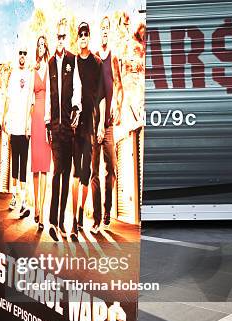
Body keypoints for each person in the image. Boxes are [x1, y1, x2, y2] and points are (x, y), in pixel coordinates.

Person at [47, 18, 82, 241]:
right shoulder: (50, 62)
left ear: (66, 38)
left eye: (63, 37)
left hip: (69, 126)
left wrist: (77, 108)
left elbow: (77, 86)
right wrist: (47, 123)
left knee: (67, 173)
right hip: (55, 126)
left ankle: (62, 221)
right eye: (57, 37)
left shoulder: (72, 60)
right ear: (55, 38)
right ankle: (53, 222)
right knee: (58, 171)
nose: (60, 40)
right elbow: (49, 95)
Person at [91, 16, 124, 234]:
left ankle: (107, 211)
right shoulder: (93, 59)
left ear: (109, 32)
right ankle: (95, 218)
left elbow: (119, 86)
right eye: (101, 28)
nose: (104, 32)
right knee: (94, 172)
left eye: (107, 29)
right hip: (94, 124)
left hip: (110, 124)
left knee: (111, 168)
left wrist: (118, 106)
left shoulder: (113, 57)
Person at [72, 22, 102, 239]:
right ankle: (74, 219)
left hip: (90, 125)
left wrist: (100, 125)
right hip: (74, 125)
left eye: (86, 34)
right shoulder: (72, 62)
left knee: (85, 174)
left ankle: (81, 213)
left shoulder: (97, 63)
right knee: (74, 174)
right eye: (80, 34)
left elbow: (100, 98)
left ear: (89, 37)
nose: (83, 37)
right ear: (77, 38)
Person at [2, 45, 31, 219]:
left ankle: (24, 200)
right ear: (17, 55)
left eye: (25, 53)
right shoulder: (13, 75)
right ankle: (14, 196)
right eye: (20, 53)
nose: (22, 55)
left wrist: (28, 123)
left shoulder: (29, 75)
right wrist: (5, 116)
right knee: (15, 164)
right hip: (14, 126)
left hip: (24, 127)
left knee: (24, 165)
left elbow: (31, 102)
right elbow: (8, 98)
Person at [30, 35, 51, 229]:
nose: (41, 47)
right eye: (39, 45)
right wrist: (28, 125)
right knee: (36, 167)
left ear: (47, 47)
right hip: (34, 117)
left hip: (47, 119)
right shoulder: (33, 69)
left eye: (44, 44)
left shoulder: (51, 67)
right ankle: (36, 206)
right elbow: (29, 96)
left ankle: (42, 212)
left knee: (45, 168)